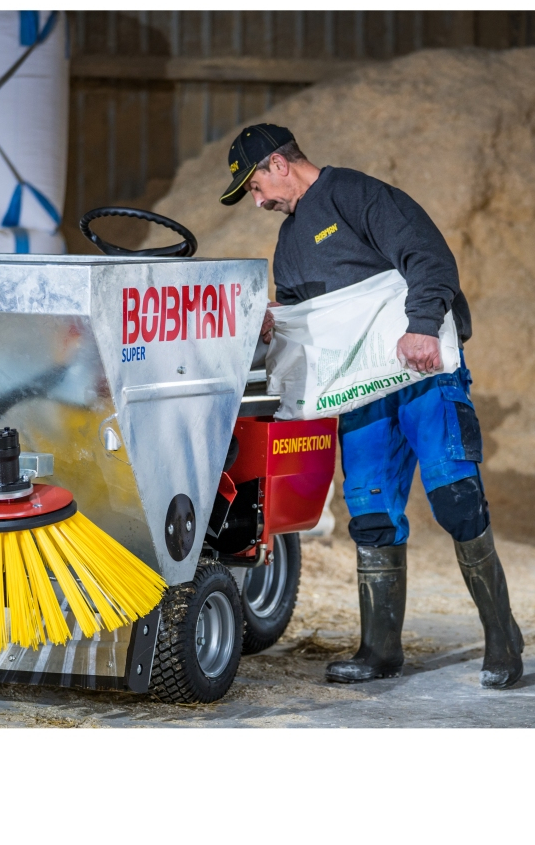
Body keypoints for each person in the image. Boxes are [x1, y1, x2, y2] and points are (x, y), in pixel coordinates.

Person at [220, 123, 523, 689]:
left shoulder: (356, 195)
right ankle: (380, 650)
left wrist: (422, 326)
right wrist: (272, 324)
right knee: (371, 512)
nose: (257, 201)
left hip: (421, 372)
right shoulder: (288, 245)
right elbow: (306, 322)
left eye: (255, 186)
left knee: (456, 500)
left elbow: (430, 257)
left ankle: (503, 638)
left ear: (278, 164)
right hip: (361, 393)